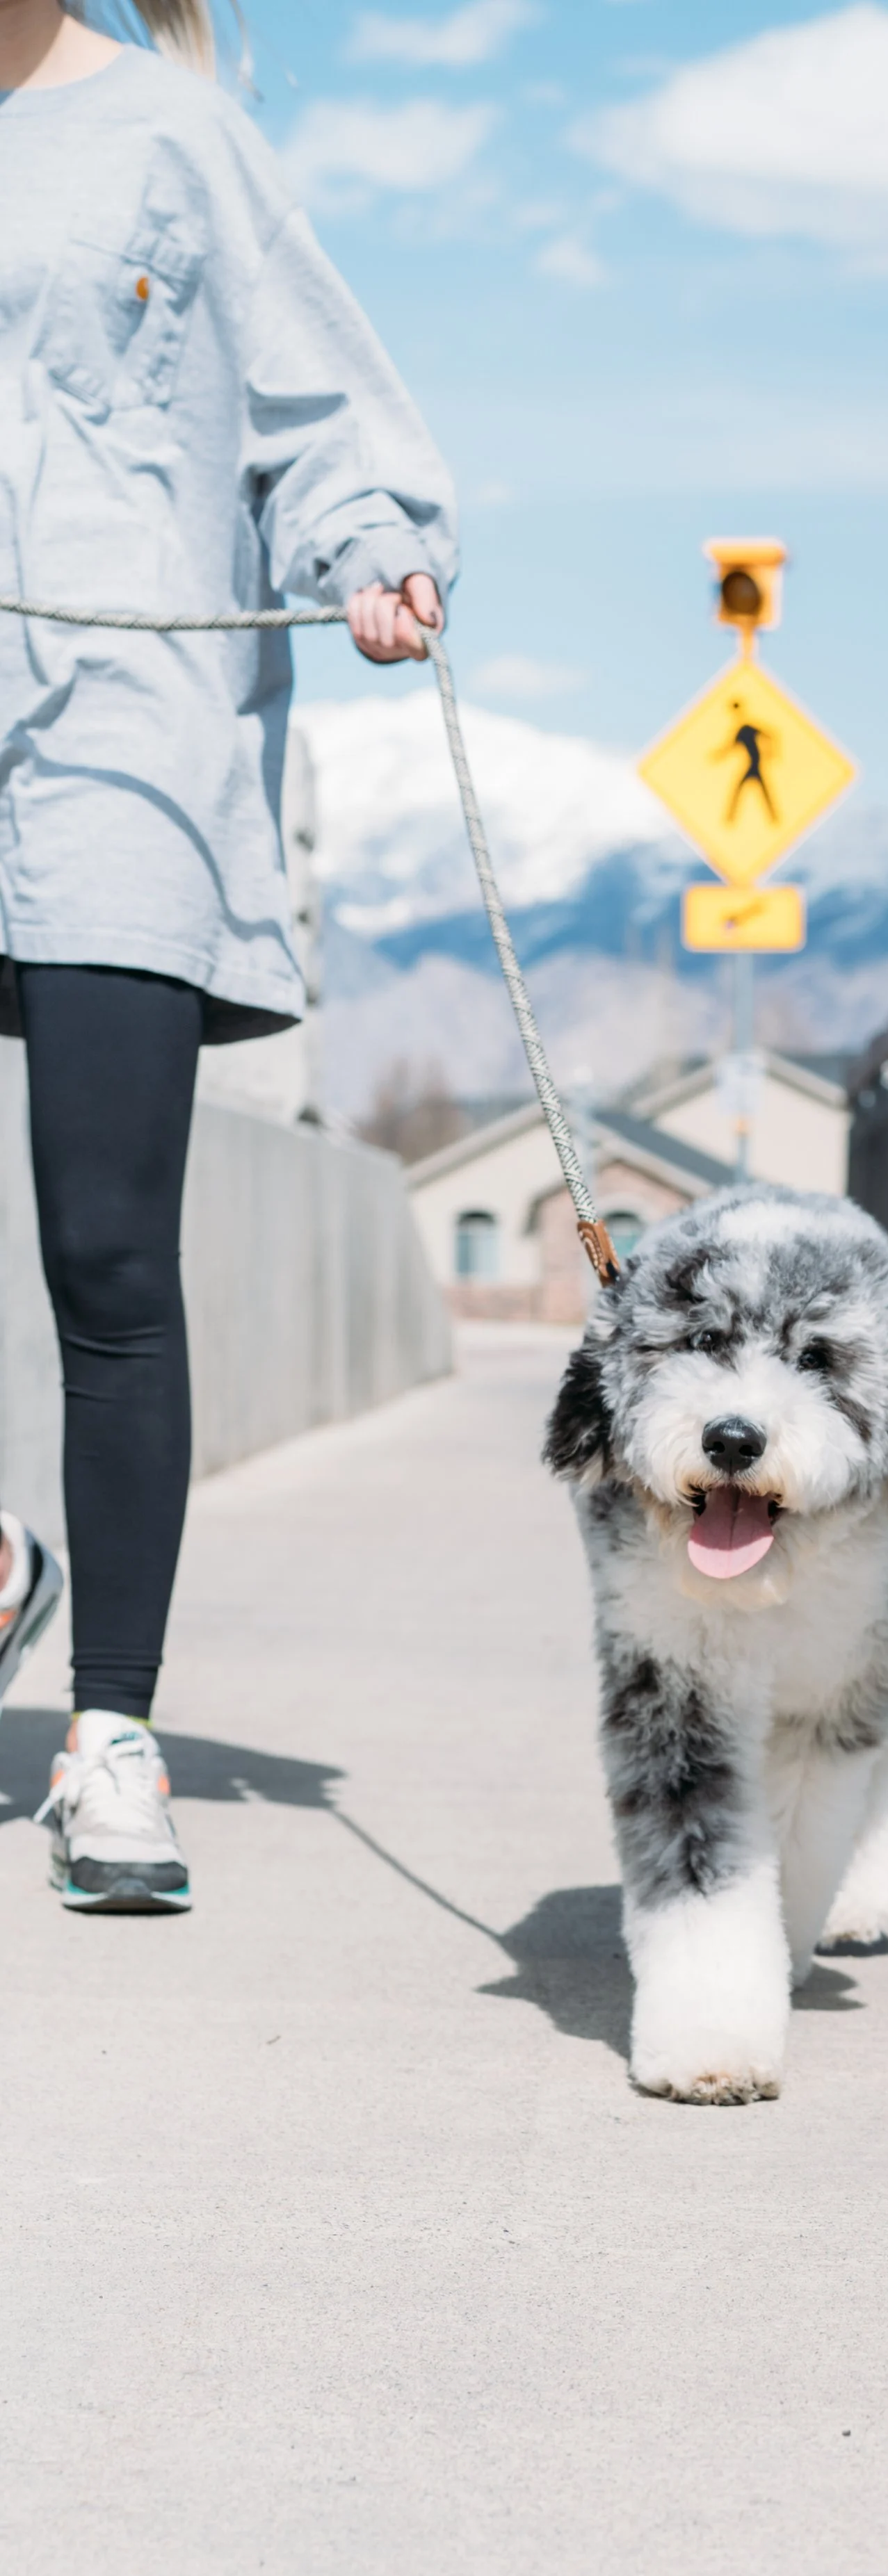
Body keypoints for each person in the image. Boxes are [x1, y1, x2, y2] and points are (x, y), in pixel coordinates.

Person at [0, 0, 458, 1909]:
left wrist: (369, 541)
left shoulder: (174, 134)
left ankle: (114, 1732)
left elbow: (323, 404)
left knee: (106, 1250)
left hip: (120, 746)